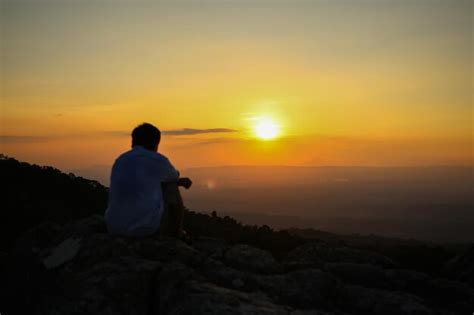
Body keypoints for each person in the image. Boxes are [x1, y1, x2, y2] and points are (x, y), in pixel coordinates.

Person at [105, 122, 192, 237]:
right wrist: (178, 181)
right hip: (145, 229)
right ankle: (177, 233)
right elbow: (173, 176)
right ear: (155, 143)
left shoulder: (120, 160)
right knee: (171, 187)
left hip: (114, 228)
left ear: (133, 141)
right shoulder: (157, 159)